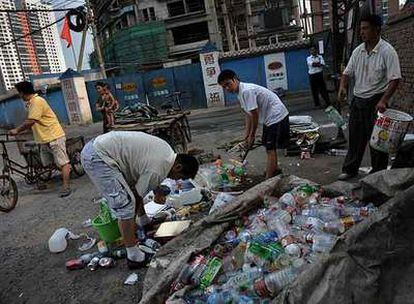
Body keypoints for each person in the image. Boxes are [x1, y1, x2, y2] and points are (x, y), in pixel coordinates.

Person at [80, 131, 199, 269]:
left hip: (101, 147)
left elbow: (139, 184)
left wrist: (140, 221)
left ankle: (144, 221)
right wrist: (130, 220)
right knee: (125, 205)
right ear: (178, 167)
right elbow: (137, 196)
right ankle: (134, 256)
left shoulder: (168, 152)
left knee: (131, 194)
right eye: (180, 177)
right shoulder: (159, 169)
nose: (177, 180)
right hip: (98, 158)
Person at [337, 14, 401, 180]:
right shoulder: (358, 51)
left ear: (377, 29)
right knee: (355, 137)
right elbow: (346, 73)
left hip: (376, 101)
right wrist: (343, 87)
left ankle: (378, 174)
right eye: (361, 29)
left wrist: (384, 100)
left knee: (377, 141)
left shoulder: (387, 51)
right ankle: (350, 169)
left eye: (365, 28)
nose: (362, 32)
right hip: (358, 100)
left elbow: (395, 79)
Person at [218, 69, 290, 178]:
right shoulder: (239, 93)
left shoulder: (247, 91)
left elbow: (255, 115)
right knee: (267, 145)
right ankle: (274, 171)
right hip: (268, 118)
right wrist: (246, 136)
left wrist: (252, 135)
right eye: (224, 87)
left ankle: (268, 179)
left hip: (276, 116)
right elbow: (248, 115)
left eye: (228, 84)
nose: (227, 88)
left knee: (271, 148)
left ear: (235, 79)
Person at [9, 81, 72, 197]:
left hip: (54, 137)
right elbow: (34, 122)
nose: (19, 95)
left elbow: (31, 120)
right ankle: (51, 178)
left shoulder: (37, 101)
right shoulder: (31, 103)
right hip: (44, 138)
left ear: (23, 92)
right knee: (47, 163)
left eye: (19, 93)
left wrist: (17, 130)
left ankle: (66, 186)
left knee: (63, 163)